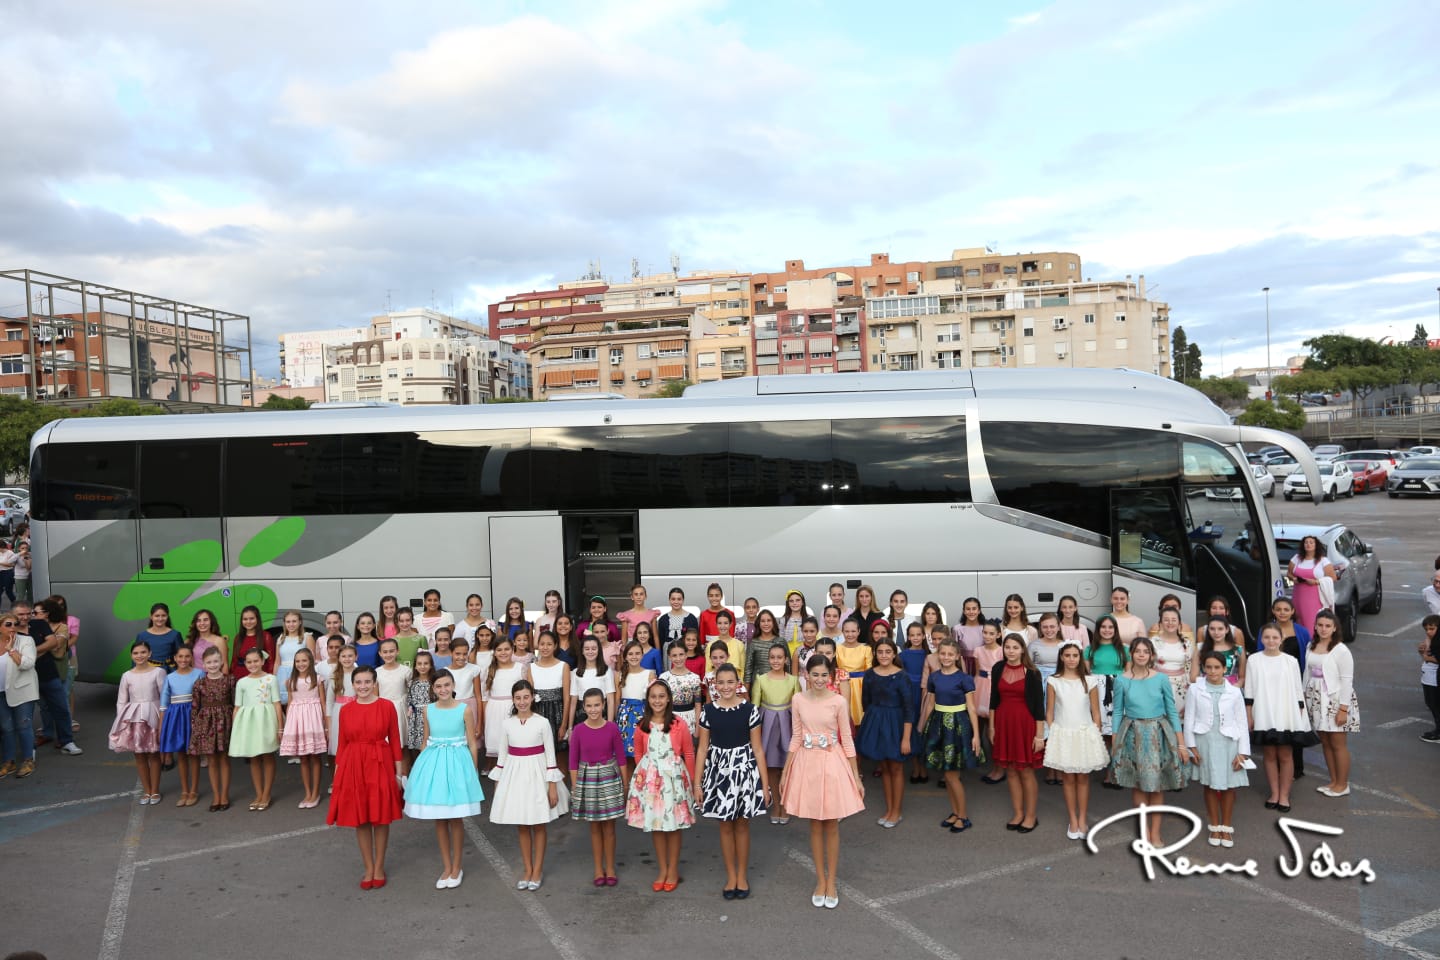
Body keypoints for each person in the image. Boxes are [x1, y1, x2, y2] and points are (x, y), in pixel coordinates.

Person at [779, 655, 864, 909]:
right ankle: (820, 880)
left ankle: (832, 882)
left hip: (832, 763)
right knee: (814, 824)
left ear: (831, 676)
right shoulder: (798, 699)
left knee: (832, 825)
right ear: (806, 675)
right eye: (814, 674)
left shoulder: (838, 701)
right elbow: (796, 737)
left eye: (824, 675)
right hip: (806, 764)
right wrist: (785, 772)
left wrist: (856, 776)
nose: (819, 679)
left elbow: (846, 739)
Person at [405, 669, 485, 890]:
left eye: (447, 685)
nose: (443, 689)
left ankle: (457, 867)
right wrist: (420, 770)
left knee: (455, 817)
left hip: (457, 763)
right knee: (439, 818)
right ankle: (447, 866)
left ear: (453, 685)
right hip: (434, 763)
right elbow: (425, 740)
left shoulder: (464, 709)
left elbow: (472, 743)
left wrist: (472, 770)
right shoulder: (428, 710)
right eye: (438, 686)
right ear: (433, 688)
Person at [693, 663, 768, 899]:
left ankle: (742, 875)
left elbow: (758, 749)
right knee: (725, 825)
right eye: (721, 682)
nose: (725, 687)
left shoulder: (750, 710)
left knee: (742, 825)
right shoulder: (708, 711)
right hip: (718, 774)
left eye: (730, 682)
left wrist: (764, 786)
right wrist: (697, 784)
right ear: (714, 685)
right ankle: (731, 876)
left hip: (744, 772)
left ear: (738, 684)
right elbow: (702, 749)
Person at [327, 664, 404, 890]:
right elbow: (342, 744)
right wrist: (338, 775)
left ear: (374, 683)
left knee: (381, 818)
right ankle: (368, 867)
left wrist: (398, 773)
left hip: (380, 763)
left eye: (367, 682)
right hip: (353, 765)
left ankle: (379, 866)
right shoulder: (346, 710)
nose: (363, 686)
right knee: (360, 819)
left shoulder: (387, 706)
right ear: (352, 684)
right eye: (358, 682)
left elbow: (395, 740)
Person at [491, 679, 568, 890]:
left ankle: (537, 870)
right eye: (518, 698)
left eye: (526, 697)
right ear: (513, 699)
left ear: (533, 697)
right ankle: (527, 869)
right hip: (514, 775)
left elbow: (551, 756)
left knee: (539, 823)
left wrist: (552, 786)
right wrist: (498, 784)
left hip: (537, 774)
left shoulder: (542, 722)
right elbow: (502, 756)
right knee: (522, 824)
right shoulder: (507, 724)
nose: (522, 701)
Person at [1111, 637, 1189, 844]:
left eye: (1146, 651)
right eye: (1138, 651)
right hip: (1132, 733)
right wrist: (1115, 741)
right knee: (1138, 784)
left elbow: (1172, 711)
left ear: (1152, 655)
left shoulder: (1161, 678)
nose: (1141, 655)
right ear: (1131, 654)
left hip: (1158, 733)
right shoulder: (1121, 680)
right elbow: (1117, 711)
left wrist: (1181, 744)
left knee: (1157, 785)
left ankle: (1155, 832)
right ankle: (1144, 830)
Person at [627, 679, 696, 892]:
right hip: (651, 783)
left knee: (673, 825)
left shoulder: (678, 724)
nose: (657, 701)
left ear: (668, 699)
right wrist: (643, 777)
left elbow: (689, 753)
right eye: (653, 697)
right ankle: (663, 869)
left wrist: (692, 782)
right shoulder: (642, 725)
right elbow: (639, 753)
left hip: (674, 781)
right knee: (656, 824)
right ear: (648, 699)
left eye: (661, 696)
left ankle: (673, 869)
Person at [1244, 622, 1316, 813]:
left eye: (1275, 637)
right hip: (1263, 711)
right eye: (1267, 637)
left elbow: (1297, 688)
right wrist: (1249, 713)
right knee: (1269, 754)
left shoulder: (1290, 661)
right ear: (1261, 639)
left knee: (1285, 754)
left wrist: (1300, 713)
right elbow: (1249, 688)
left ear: (1281, 639)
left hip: (1286, 711)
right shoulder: (1254, 660)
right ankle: (1274, 793)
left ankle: (1284, 795)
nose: (1271, 641)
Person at [1185, 651, 1250, 849]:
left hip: (1229, 742)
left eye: (1217, 667)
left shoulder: (1234, 692)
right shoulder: (1195, 689)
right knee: (1210, 785)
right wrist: (1191, 747)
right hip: (1205, 741)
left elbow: (1241, 722)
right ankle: (1214, 826)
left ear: (1224, 669)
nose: (1213, 671)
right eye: (1209, 667)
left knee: (1229, 786)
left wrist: (1243, 752)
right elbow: (1189, 718)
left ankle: (1226, 826)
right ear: (1204, 668)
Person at [1044, 642, 1108, 840]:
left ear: (1080, 657)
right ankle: (1072, 818)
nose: (1071, 659)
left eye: (1075, 655)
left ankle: (1082, 818)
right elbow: (1049, 711)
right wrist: (1054, 732)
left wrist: (1095, 733)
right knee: (1068, 778)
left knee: (1083, 778)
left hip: (1084, 734)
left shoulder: (1090, 681)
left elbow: (1096, 712)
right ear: (1061, 657)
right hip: (1064, 733)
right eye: (1067, 655)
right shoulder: (1054, 681)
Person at [918, 639, 981, 833]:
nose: (946, 657)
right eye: (942, 653)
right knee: (946, 773)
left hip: (958, 726)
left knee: (953, 775)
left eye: (950, 654)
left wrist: (976, 735)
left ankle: (963, 816)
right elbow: (930, 704)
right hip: (938, 725)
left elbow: (971, 708)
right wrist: (924, 726)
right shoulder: (934, 677)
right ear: (938, 655)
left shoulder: (964, 679)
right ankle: (955, 812)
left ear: (957, 656)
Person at [569, 688, 629, 886]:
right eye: (589, 705)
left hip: (609, 777)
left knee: (609, 827)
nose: (593, 709)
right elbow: (573, 761)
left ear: (603, 705)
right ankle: (598, 869)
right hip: (587, 779)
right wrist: (575, 787)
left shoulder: (612, 728)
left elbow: (621, 757)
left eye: (597, 705)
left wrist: (625, 784)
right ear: (583, 707)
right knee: (594, 827)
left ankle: (610, 868)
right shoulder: (578, 730)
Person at [990, 634, 1046, 832]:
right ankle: (1018, 813)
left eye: (1015, 647)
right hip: (1003, 724)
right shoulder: (998, 668)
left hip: (1025, 726)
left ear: (1023, 650)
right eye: (1007, 647)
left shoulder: (1033, 672)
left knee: (1026, 771)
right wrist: (992, 727)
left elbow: (1039, 707)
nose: (1011, 651)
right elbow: (993, 699)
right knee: (1011, 771)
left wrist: (1039, 736)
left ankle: (1031, 816)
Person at [856, 638, 914, 828]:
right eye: (880, 652)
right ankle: (889, 809)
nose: (884, 655)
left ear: (894, 654)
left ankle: (897, 812)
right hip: (877, 723)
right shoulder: (870, 674)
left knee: (896, 768)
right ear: (875, 653)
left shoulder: (902, 676)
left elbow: (909, 709)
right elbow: (866, 702)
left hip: (896, 725)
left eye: (888, 652)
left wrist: (906, 738)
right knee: (885, 768)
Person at [1306, 610, 1359, 798]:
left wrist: (1343, 709)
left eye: (1328, 626)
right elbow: (1307, 672)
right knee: (1326, 742)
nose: (1323, 629)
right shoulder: (1311, 645)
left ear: (1335, 628)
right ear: (1315, 626)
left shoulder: (1341, 650)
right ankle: (1334, 781)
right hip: (1316, 699)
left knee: (1337, 744)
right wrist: (1304, 698)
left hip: (1334, 701)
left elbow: (1347, 681)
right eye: (1320, 625)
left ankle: (1342, 785)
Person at [110, 639, 166, 803]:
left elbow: (164, 697)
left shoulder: (158, 672)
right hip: (134, 718)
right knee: (139, 755)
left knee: (154, 753)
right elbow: (121, 701)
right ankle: (146, 790)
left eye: (143, 652)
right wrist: (121, 721)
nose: (139, 656)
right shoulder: (127, 676)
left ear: (149, 653)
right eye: (135, 653)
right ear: (131, 655)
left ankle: (155, 790)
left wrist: (163, 718)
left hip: (153, 715)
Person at [752, 642, 800, 824]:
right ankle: (776, 804)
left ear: (786, 659)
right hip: (768, 724)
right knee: (771, 765)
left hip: (787, 723)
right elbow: (755, 706)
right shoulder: (761, 679)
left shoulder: (793, 680)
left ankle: (785, 804)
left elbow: (798, 706)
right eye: (772, 657)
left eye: (779, 657)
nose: (776, 661)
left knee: (786, 765)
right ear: (768, 659)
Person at [230, 648, 283, 811]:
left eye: (256, 661)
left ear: (262, 661)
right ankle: (258, 793)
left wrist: (280, 727)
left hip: (266, 721)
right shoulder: (242, 682)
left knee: (268, 755)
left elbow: (276, 703)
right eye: (249, 662)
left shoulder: (271, 679)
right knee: (253, 757)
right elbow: (237, 706)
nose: (252, 664)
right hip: (249, 722)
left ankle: (267, 793)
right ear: (245, 663)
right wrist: (235, 728)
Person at [29, 598, 80, 756]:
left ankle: (66, 740)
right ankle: (47, 733)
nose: (33, 615)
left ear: (47, 613)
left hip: (56, 671)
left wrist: (32, 651)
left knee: (60, 704)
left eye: (37, 612)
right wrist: (45, 645)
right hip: (35, 673)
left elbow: (56, 647)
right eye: (33, 612)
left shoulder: (61, 626)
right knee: (44, 706)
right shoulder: (31, 627)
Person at [280, 647, 328, 809]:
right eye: (298, 661)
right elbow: (290, 703)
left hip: (313, 720)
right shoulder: (290, 681)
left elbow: (323, 702)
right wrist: (288, 726)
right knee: (303, 758)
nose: (301, 664)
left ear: (311, 661)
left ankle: (315, 793)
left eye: (304, 660)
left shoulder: (318, 679)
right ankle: (307, 793)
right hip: (297, 720)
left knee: (315, 756)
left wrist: (326, 725)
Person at [188, 646, 234, 810]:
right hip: (206, 724)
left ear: (221, 662)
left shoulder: (230, 680)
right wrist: (195, 726)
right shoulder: (199, 683)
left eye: (216, 661)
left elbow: (235, 703)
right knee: (212, 760)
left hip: (225, 722)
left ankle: (225, 795)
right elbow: (195, 707)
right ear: (203, 665)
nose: (213, 665)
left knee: (224, 758)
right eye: (209, 662)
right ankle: (216, 796)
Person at [1085, 615, 1127, 789]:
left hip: (1118, 691)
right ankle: (1107, 770)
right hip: (1098, 692)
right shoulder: (1090, 650)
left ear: (1115, 629)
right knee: (1103, 733)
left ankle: (1116, 772)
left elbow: (1129, 674)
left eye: (1110, 627)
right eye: (1103, 627)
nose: (1107, 630)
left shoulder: (1124, 649)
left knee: (1117, 733)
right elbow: (1087, 675)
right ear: (1098, 629)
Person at [159, 645, 202, 807]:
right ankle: (185, 790)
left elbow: (203, 697)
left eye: (187, 656)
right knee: (181, 754)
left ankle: (194, 790)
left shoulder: (199, 674)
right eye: (180, 656)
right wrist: (161, 727)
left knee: (194, 754)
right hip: (176, 717)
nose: (184, 659)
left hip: (193, 715)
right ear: (175, 658)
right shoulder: (170, 677)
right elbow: (164, 704)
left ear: (191, 658)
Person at [0, 611, 38, 780]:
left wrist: (11, 650)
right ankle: (9, 762)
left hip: (22, 690)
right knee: (6, 728)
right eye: (8, 624)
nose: (13, 627)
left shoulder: (26, 641)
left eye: (15, 624)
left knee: (23, 726)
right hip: (1, 693)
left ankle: (28, 760)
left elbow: (28, 663)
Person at [483, 638, 527, 761]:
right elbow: (485, 696)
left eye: (507, 649)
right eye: (499, 650)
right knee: (496, 741)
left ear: (513, 649)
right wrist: (484, 719)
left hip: (514, 710)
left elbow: (526, 692)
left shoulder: (520, 668)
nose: (503, 653)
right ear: (494, 652)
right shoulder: (489, 670)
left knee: (514, 741)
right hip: (494, 711)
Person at [975, 622, 1007, 785]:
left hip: (995, 689)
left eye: (991, 633)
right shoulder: (978, 650)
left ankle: (999, 768)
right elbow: (977, 672)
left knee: (993, 731)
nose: (987, 636)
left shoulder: (1002, 651)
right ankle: (979, 759)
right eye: (985, 632)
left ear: (998, 635)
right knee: (978, 726)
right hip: (979, 688)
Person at [898, 623, 930, 784]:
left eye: (918, 634)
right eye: (912, 635)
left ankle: (923, 767)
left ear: (924, 636)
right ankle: (916, 767)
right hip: (909, 694)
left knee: (923, 730)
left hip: (925, 694)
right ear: (908, 637)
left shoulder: (928, 655)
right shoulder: (903, 655)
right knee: (911, 730)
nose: (916, 638)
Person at [528, 631, 571, 749]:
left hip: (558, 714)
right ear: (538, 645)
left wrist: (564, 724)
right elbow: (529, 696)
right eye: (542, 644)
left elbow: (567, 698)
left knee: (559, 750)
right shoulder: (531, 667)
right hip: (538, 713)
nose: (545, 647)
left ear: (555, 646)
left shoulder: (563, 666)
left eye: (549, 644)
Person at [614, 640, 654, 760]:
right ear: (625, 656)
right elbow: (617, 700)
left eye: (637, 653)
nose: (634, 657)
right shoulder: (619, 675)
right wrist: (615, 720)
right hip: (624, 718)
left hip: (643, 716)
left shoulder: (649, 674)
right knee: (625, 754)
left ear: (642, 655)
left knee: (643, 752)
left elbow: (652, 699)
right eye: (630, 654)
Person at [1150, 607, 1194, 715]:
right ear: (1160, 623)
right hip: (1158, 684)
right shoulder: (1152, 642)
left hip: (1181, 686)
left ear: (1179, 623)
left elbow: (1189, 666)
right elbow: (1148, 666)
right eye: (1166, 620)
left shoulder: (1187, 643)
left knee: (1178, 718)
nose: (1170, 623)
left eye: (1174, 620)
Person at [568, 635, 615, 735]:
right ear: (582, 651)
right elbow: (573, 702)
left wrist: (610, 725)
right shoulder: (576, 672)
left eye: (594, 649)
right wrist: (570, 728)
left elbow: (610, 700)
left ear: (599, 650)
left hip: (601, 713)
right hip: (582, 714)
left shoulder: (606, 671)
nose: (590, 652)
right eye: (587, 649)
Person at [1288, 535, 1336, 632]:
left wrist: (1316, 582)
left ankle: (1311, 641)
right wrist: (1293, 578)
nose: (1308, 544)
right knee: (1297, 623)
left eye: (1311, 542)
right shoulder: (1296, 558)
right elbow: (1289, 573)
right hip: (1298, 596)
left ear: (1316, 545)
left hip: (1314, 598)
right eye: (1306, 542)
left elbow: (1333, 578)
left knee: (1311, 623)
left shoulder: (1323, 561)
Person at [374, 639, 413, 752]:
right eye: (385, 652)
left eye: (391, 651)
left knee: (402, 744)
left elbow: (410, 691)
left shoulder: (406, 670)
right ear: (380, 653)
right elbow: (375, 695)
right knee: (386, 743)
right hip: (384, 710)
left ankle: (403, 763)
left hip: (401, 710)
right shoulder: (377, 672)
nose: (388, 654)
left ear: (397, 651)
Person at [403, 651, 437, 772]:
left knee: (429, 743)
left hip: (430, 717)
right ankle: (419, 768)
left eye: (426, 663)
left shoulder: (434, 682)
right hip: (416, 719)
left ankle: (432, 767)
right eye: (419, 664)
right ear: (415, 666)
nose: (422, 666)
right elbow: (409, 699)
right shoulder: (411, 682)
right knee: (417, 745)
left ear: (431, 665)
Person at [834, 618, 871, 728]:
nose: (850, 634)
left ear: (859, 631)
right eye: (847, 631)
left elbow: (869, 671)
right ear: (842, 632)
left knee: (861, 719)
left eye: (853, 631)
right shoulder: (837, 649)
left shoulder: (866, 649)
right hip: (842, 686)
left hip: (861, 687)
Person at [659, 641, 702, 735]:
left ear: (686, 655)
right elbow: (661, 704)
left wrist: (697, 730)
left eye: (681, 654)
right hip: (669, 719)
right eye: (674, 655)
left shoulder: (694, 678)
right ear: (669, 657)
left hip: (689, 720)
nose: (678, 658)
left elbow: (697, 705)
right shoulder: (664, 678)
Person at [273, 610, 315, 705]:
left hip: (300, 673)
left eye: (294, 621)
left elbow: (312, 660)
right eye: (288, 622)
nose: (291, 624)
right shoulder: (281, 639)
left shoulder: (307, 637)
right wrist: (274, 679)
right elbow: (277, 662)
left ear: (300, 622)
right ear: (284, 623)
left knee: (300, 701)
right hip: (282, 675)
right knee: (283, 703)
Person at [1194, 616, 1246, 685]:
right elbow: (1193, 677)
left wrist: (1234, 688)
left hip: (1231, 688)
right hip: (1205, 688)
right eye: (1212, 629)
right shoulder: (1200, 648)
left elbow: (1242, 678)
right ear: (1208, 630)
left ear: (1227, 629)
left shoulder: (1238, 650)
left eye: (1220, 629)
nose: (1216, 632)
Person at [328, 644, 358, 757]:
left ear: (356, 657)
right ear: (339, 658)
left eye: (350, 656)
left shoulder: (359, 673)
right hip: (339, 712)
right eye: (343, 656)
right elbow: (329, 701)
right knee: (340, 742)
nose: (347, 659)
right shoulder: (335, 676)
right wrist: (329, 724)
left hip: (356, 710)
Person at [229, 605, 275, 675]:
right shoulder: (238, 637)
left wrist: (269, 677)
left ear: (257, 619)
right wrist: (231, 675)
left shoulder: (266, 636)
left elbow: (271, 661)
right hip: (240, 676)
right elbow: (234, 661)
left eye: (252, 618)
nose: (248, 622)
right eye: (245, 619)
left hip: (259, 676)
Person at [187, 610, 229, 676]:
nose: (202, 623)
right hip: (195, 678)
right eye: (199, 620)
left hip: (214, 678)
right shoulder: (190, 640)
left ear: (211, 622)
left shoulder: (219, 640)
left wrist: (224, 680)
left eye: (205, 620)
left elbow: (225, 664)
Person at [1419, 615, 1440, 743]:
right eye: (1426, 629)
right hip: (1427, 676)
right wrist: (1422, 652)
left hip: (1434, 678)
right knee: (1431, 703)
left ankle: (1438, 732)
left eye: (1432, 629)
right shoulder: (1431, 640)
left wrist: (1427, 658)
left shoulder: (1437, 642)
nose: (1428, 632)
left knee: (1435, 704)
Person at [657, 588, 698, 652]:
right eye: (673, 599)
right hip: (667, 654)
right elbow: (661, 641)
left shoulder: (691, 618)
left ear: (683, 600)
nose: (676, 602)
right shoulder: (663, 619)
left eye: (679, 599)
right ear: (669, 600)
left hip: (686, 653)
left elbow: (696, 640)